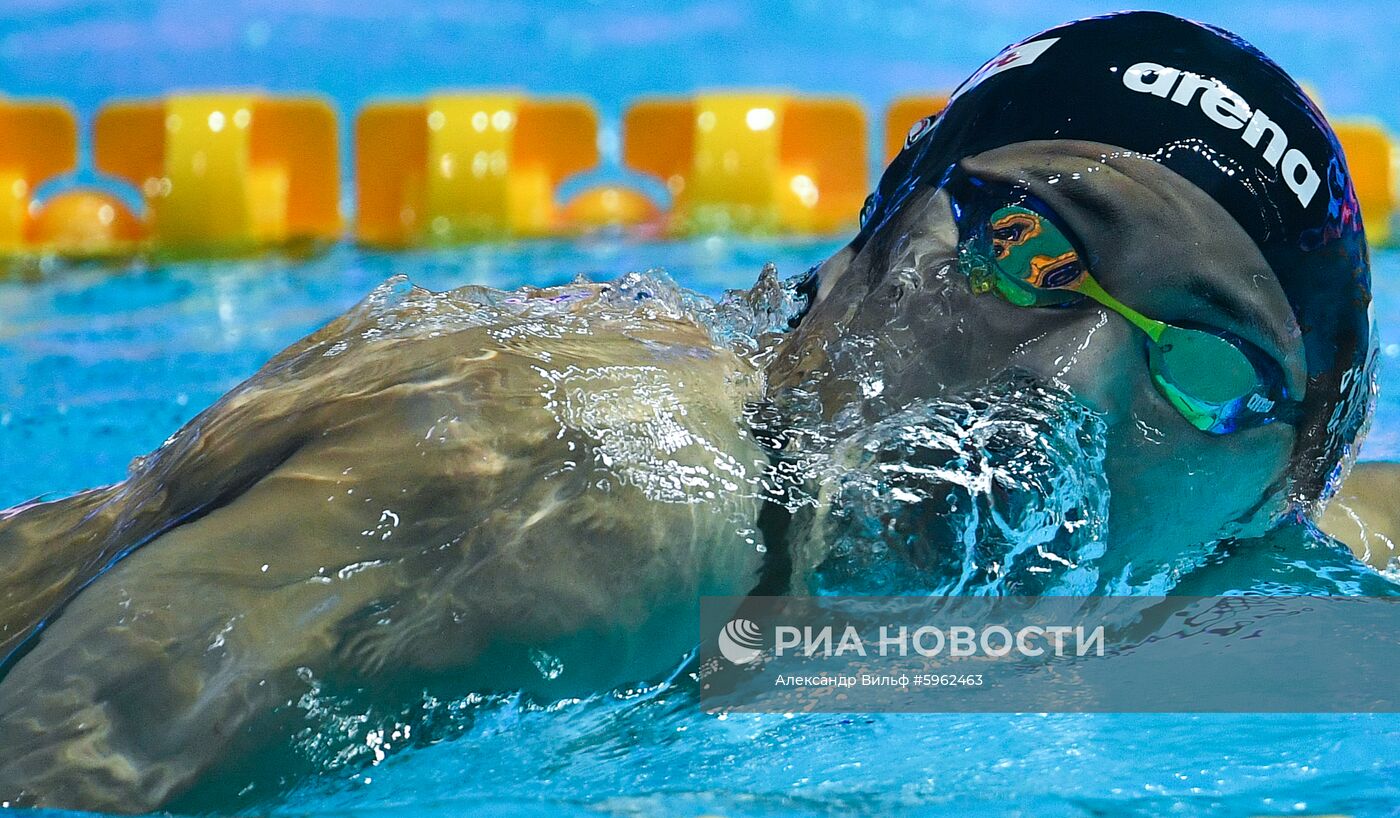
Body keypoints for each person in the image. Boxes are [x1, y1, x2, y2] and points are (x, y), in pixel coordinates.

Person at [0, 10, 1382, 812]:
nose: (1057, 384)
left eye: (1202, 370)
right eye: (1023, 252)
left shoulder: (1232, 584)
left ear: (1277, 491)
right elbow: (55, 773)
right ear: (857, 255)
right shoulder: (593, 485)